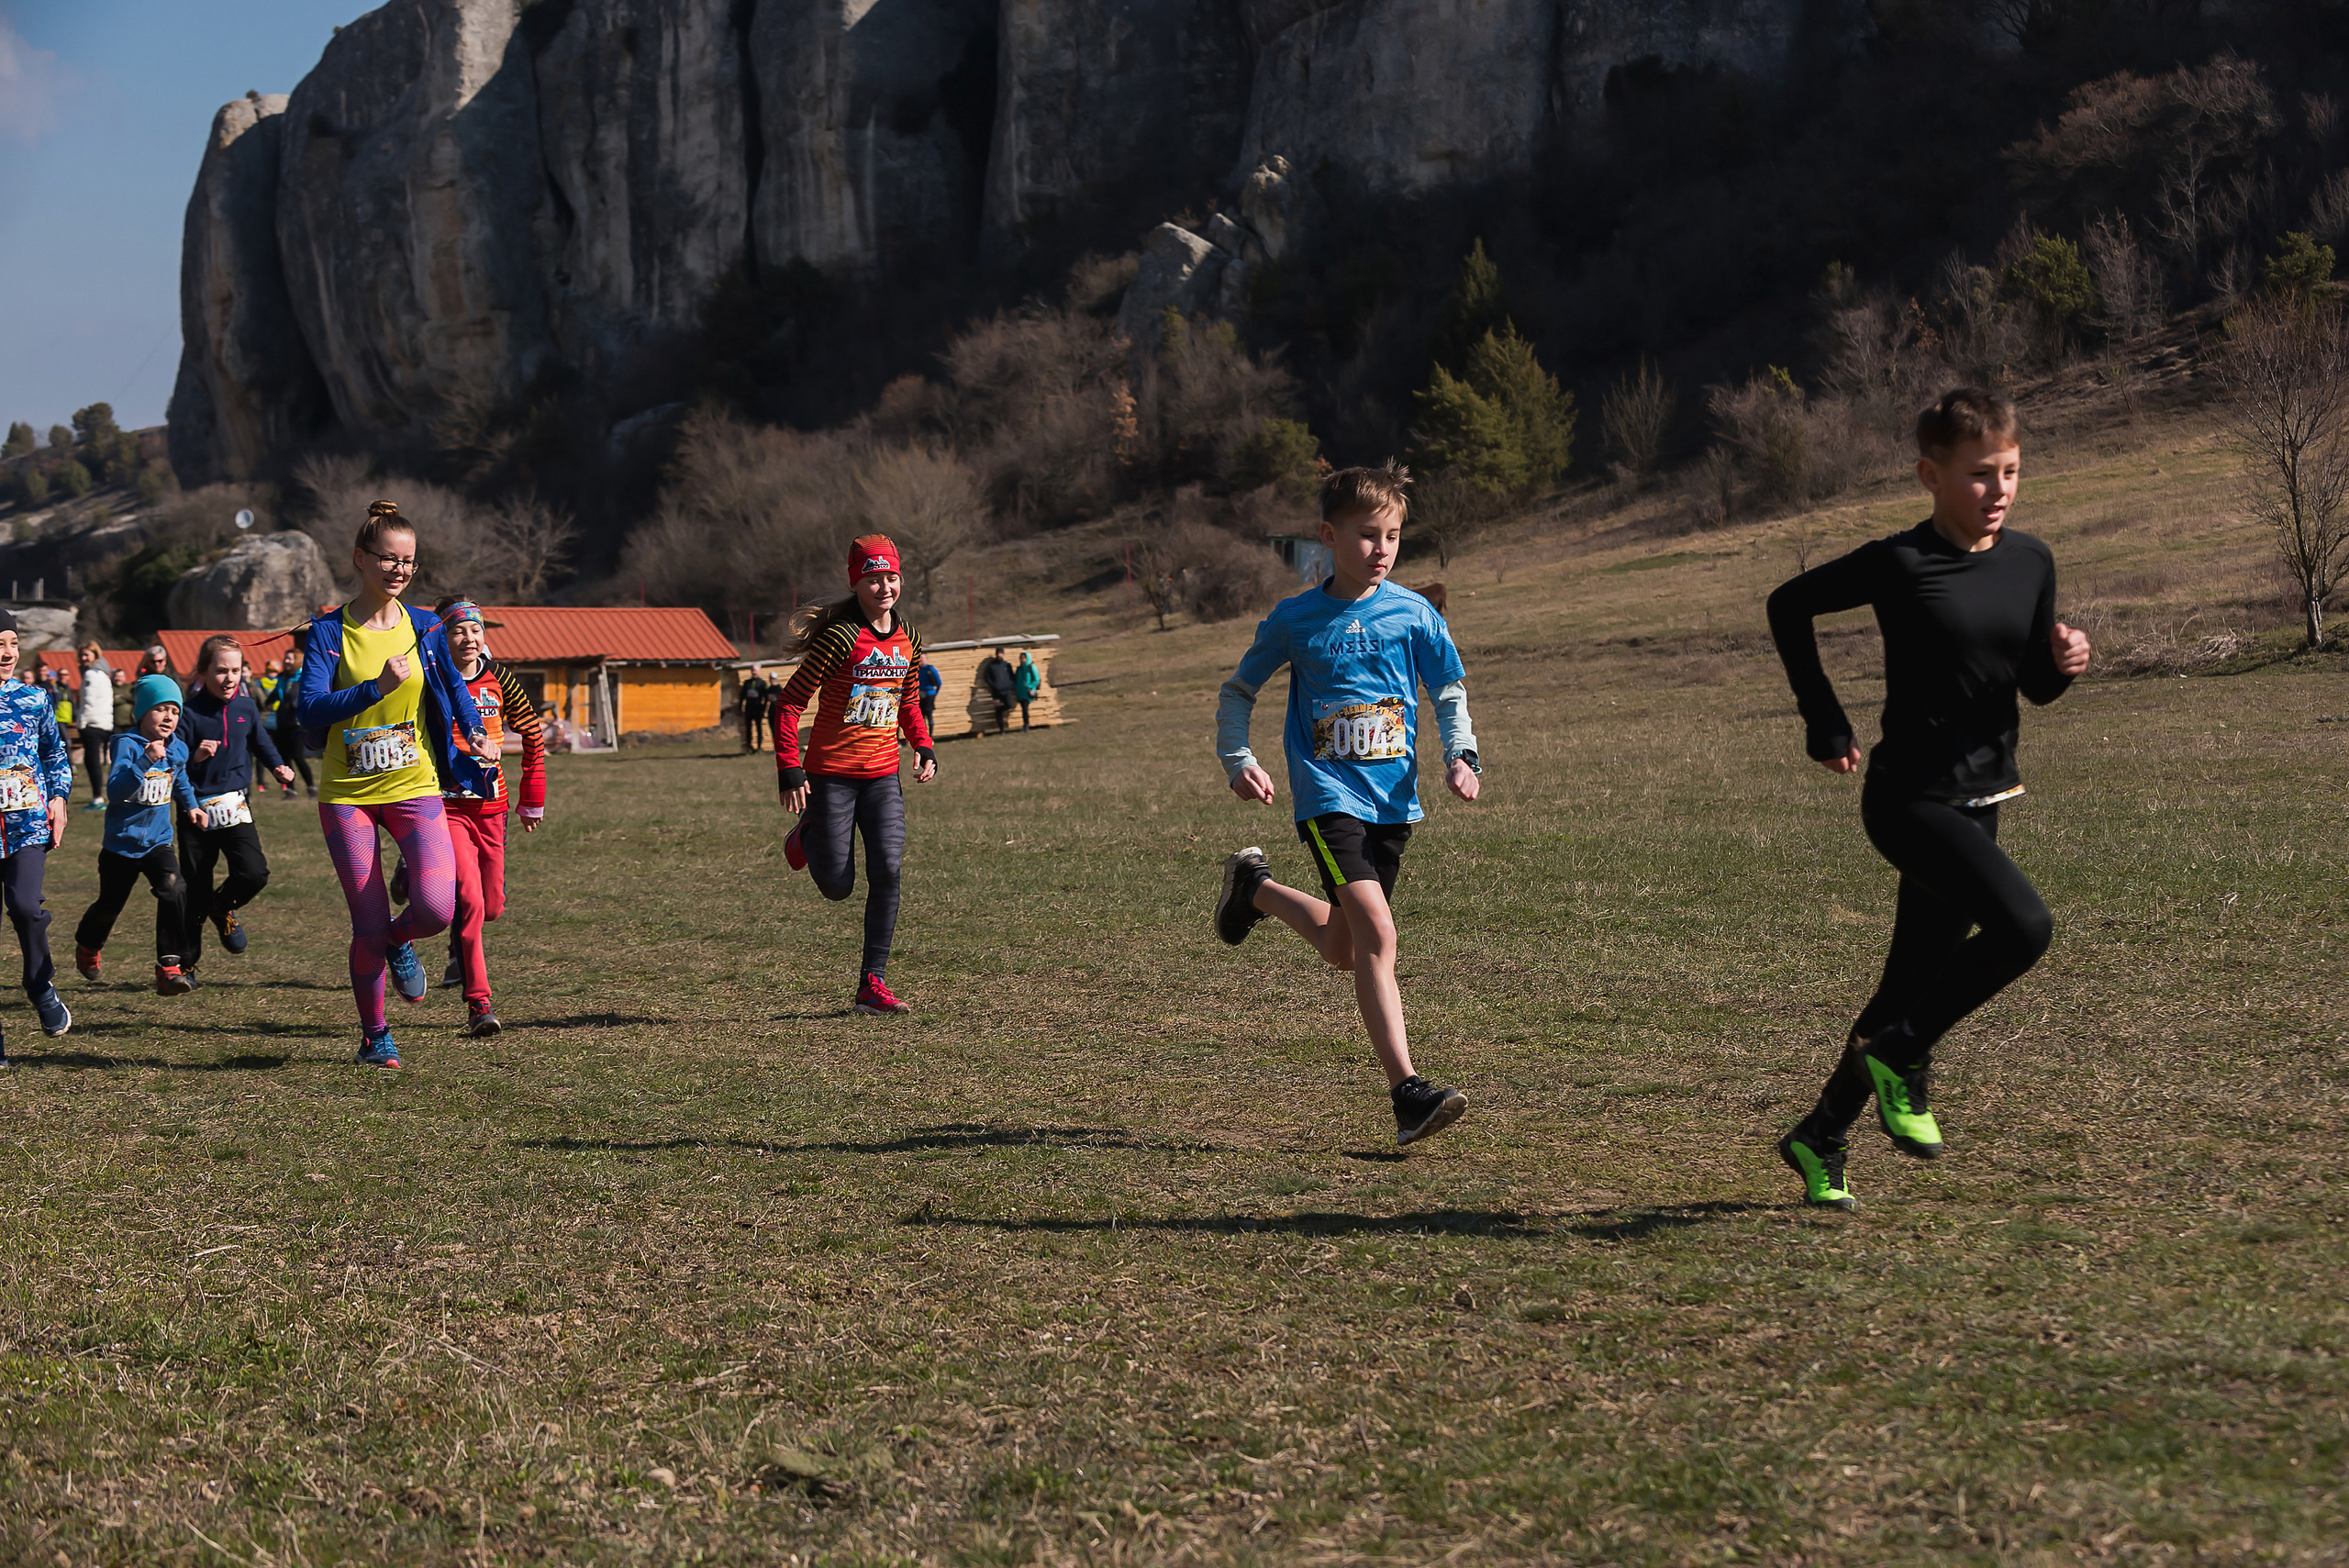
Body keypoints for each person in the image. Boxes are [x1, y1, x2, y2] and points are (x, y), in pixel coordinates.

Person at [1766, 388, 2093, 1211]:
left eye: (2011, 471)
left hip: (1985, 795)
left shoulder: (2031, 561)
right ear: (1930, 474)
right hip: (1909, 800)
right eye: (1981, 474)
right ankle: (1904, 1057)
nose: (2001, 489)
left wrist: (2065, 661)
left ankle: (1822, 1132)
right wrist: (1823, 716)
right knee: (2025, 926)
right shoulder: (1900, 563)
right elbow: (1788, 605)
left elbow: (2033, 687)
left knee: (1905, 987)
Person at [1212, 462, 1482, 1148]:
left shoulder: (1413, 612)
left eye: (1392, 535)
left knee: (1345, 945)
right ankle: (1407, 1092)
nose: (1382, 549)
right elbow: (1238, 691)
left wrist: (1462, 753)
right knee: (1379, 936)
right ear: (1328, 536)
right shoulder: (1297, 619)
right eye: (1367, 535)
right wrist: (1238, 758)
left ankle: (1256, 889)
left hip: (1392, 802)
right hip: (1327, 798)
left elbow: (1447, 688)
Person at [295, 499, 486, 1071]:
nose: (400, 570)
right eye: (388, 559)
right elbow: (309, 711)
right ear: (360, 559)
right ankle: (375, 1035)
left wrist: (473, 731)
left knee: (433, 910)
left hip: (415, 785)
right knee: (367, 924)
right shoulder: (330, 632)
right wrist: (374, 687)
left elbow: (452, 687)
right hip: (347, 797)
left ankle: (401, 941)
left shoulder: (427, 625)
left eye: (409, 561)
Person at [773, 535, 937, 1017]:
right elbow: (789, 704)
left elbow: (908, 702)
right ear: (857, 582)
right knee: (838, 885)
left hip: (884, 775)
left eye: (890, 577)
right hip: (831, 775)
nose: (883, 586)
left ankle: (872, 983)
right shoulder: (840, 637)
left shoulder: (910, 637)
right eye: (873, 578)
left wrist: (923, 744)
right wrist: (789, 766)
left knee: (887, 868)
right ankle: (807, 833)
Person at [427, 595, 548, 1037]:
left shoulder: (501, 679)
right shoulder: (432, 680)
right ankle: (480, 1004)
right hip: (448, 806)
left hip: (491, 808)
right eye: (458, 630)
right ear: (443, 635)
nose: (468, 638)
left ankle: (411, 875)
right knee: (472, 902)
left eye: (475, 630)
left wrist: (531, 796)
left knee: (492, 905)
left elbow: (532, 730)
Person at [74, 674, 206, 995]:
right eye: (160, 709)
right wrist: (146, 759)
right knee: (109, 906)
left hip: (158, 842)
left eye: (174, 711)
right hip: (121, 845)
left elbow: (181, 780)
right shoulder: (126, 745)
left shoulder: (178, 749)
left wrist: (192, 807)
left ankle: (169, 965)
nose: (168, 717)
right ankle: (89, 944)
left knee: (174, 888)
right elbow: (116, 790)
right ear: (142, 713)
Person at [175, 635, 297, 974]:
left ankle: (222, 906)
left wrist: (277, 767)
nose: (229, 678)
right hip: (195, 811)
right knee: (195, 889)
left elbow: (260, 742)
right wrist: (195, 757)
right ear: (203, 672)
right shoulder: (189, 713)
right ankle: (186, 966)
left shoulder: (245, 707)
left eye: (236, 670)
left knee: (254, 873)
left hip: (234, 807)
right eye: (220, 671)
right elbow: (174, 766)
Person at [0, 611, 77, 1062]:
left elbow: (54, 752)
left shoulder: (34, 698)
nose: (8, 653)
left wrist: (60, 797)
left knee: (27, 909)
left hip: (25, 823)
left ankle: (39, 983)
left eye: (12, 642)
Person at [273, 644, 316, 800]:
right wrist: (268, 701)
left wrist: (292, 704)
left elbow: (300, 696)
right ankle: (290, 791)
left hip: (297, 724)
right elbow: (278, 693)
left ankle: (311, 787)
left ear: (297, 660)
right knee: (285, 758)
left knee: (298, 756)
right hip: (283, 722)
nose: (286, 661)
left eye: (290, 658)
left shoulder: (302, 677)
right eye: (286, 658)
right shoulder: (282, 677)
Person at [76, 643, 114, 812]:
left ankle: (97, 798)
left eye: (87, 655)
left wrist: (81, 724)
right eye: (82, 655)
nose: (84, 658)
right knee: (98, 762)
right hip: (105, 722)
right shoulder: (104, 675)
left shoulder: (91, 674)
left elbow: (88, 702)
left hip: (92, 723)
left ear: (95, 655)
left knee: (92, 762)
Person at [978, 647, 1015, 734]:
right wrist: (994, 686)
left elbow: (1012, 676)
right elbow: (987, 678)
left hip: (1006, 691)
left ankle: (1001, 711)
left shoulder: (1007, 665)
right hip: (996, 692)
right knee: (998, 710)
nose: (999, 655)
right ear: (996, 654)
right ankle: (1001, 730)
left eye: (1001, 653)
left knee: (1009, 705)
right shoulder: (991, 666)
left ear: (1003, 654)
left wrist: (1009, 684)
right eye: (998, 653)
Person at [1012, 650, 1041, 730]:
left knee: (1025, 708)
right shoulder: (1019, 669)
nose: (1022, 660)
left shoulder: (1031, 667)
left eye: (1023, 658)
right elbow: (1016, 679)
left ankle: (1026, 725)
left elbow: (1037, 679)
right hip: (1020, 692)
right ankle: (1025, 724)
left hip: (1027, 692)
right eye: (1021, 658)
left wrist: (1030, 686)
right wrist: (1016, 687)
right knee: (1023, 708)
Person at [740, 672, 768, 753]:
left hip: (758, 709)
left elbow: (765, 698)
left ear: (759, 671)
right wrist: (740, 708)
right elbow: (742, 696)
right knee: (748, 729)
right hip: (748, 709)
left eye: (756, 671)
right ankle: (749, 747)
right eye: (753, 670)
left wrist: (764, 709)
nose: (754, 672)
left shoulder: (762, 683)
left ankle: (759, 747)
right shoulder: (747, 683)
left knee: (759, 728)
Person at [918, 658, 941, 738]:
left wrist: (935, 693)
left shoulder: (930, 669)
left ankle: (931, 736)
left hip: (929, 694)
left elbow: (939, 682)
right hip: (920, 695)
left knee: (929, 714)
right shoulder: (917, 670)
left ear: (926, 659)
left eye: (922, 659)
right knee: (921, 717)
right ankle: (924, 736)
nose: (920, 661)